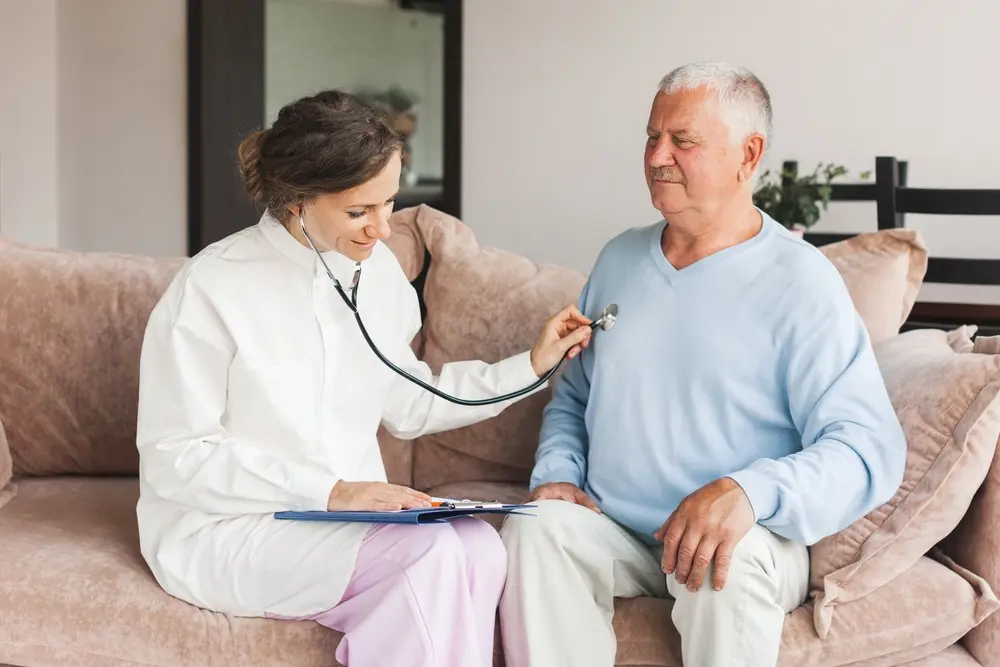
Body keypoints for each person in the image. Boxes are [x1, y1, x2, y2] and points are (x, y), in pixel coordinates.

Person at [134, 90, 593, 667]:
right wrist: (330, 491)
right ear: (296, 199)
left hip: (344, 519)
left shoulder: (375, 275)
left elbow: (411, 402)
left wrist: (533, 364)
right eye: (359, 211)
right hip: (226, 528)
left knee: (478, 546)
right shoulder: (210, 289)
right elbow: (177, 456)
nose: (381, 229)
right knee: (425, 559)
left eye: (389, 204)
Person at [498, 62, 908, 667]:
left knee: (728, 555)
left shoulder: (802, 281)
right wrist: (557, 474)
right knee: (535, 527)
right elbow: (574, 398)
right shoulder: (618, 259)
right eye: (651, 137)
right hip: (620, 531)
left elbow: (866, 448)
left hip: (745, 537)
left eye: (682, 141)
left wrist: (748, 491)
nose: (657, 156)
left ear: (748, 154)